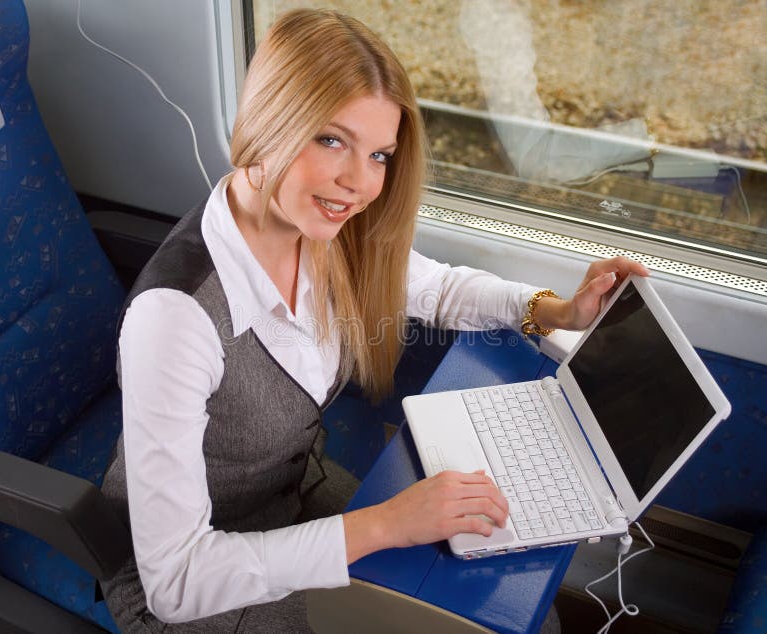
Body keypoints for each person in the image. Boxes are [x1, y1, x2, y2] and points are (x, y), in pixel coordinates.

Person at [100, 8, 649, 633]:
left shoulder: (326, 228)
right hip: (199, 581)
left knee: (505, 594)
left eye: (380, 154)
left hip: (292, 500)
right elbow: (177, 582)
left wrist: (556, 311)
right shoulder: (174, 319)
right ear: (267, 122)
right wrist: (387, 524)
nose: (360, 184)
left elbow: (436, 288)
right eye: (330, 139)